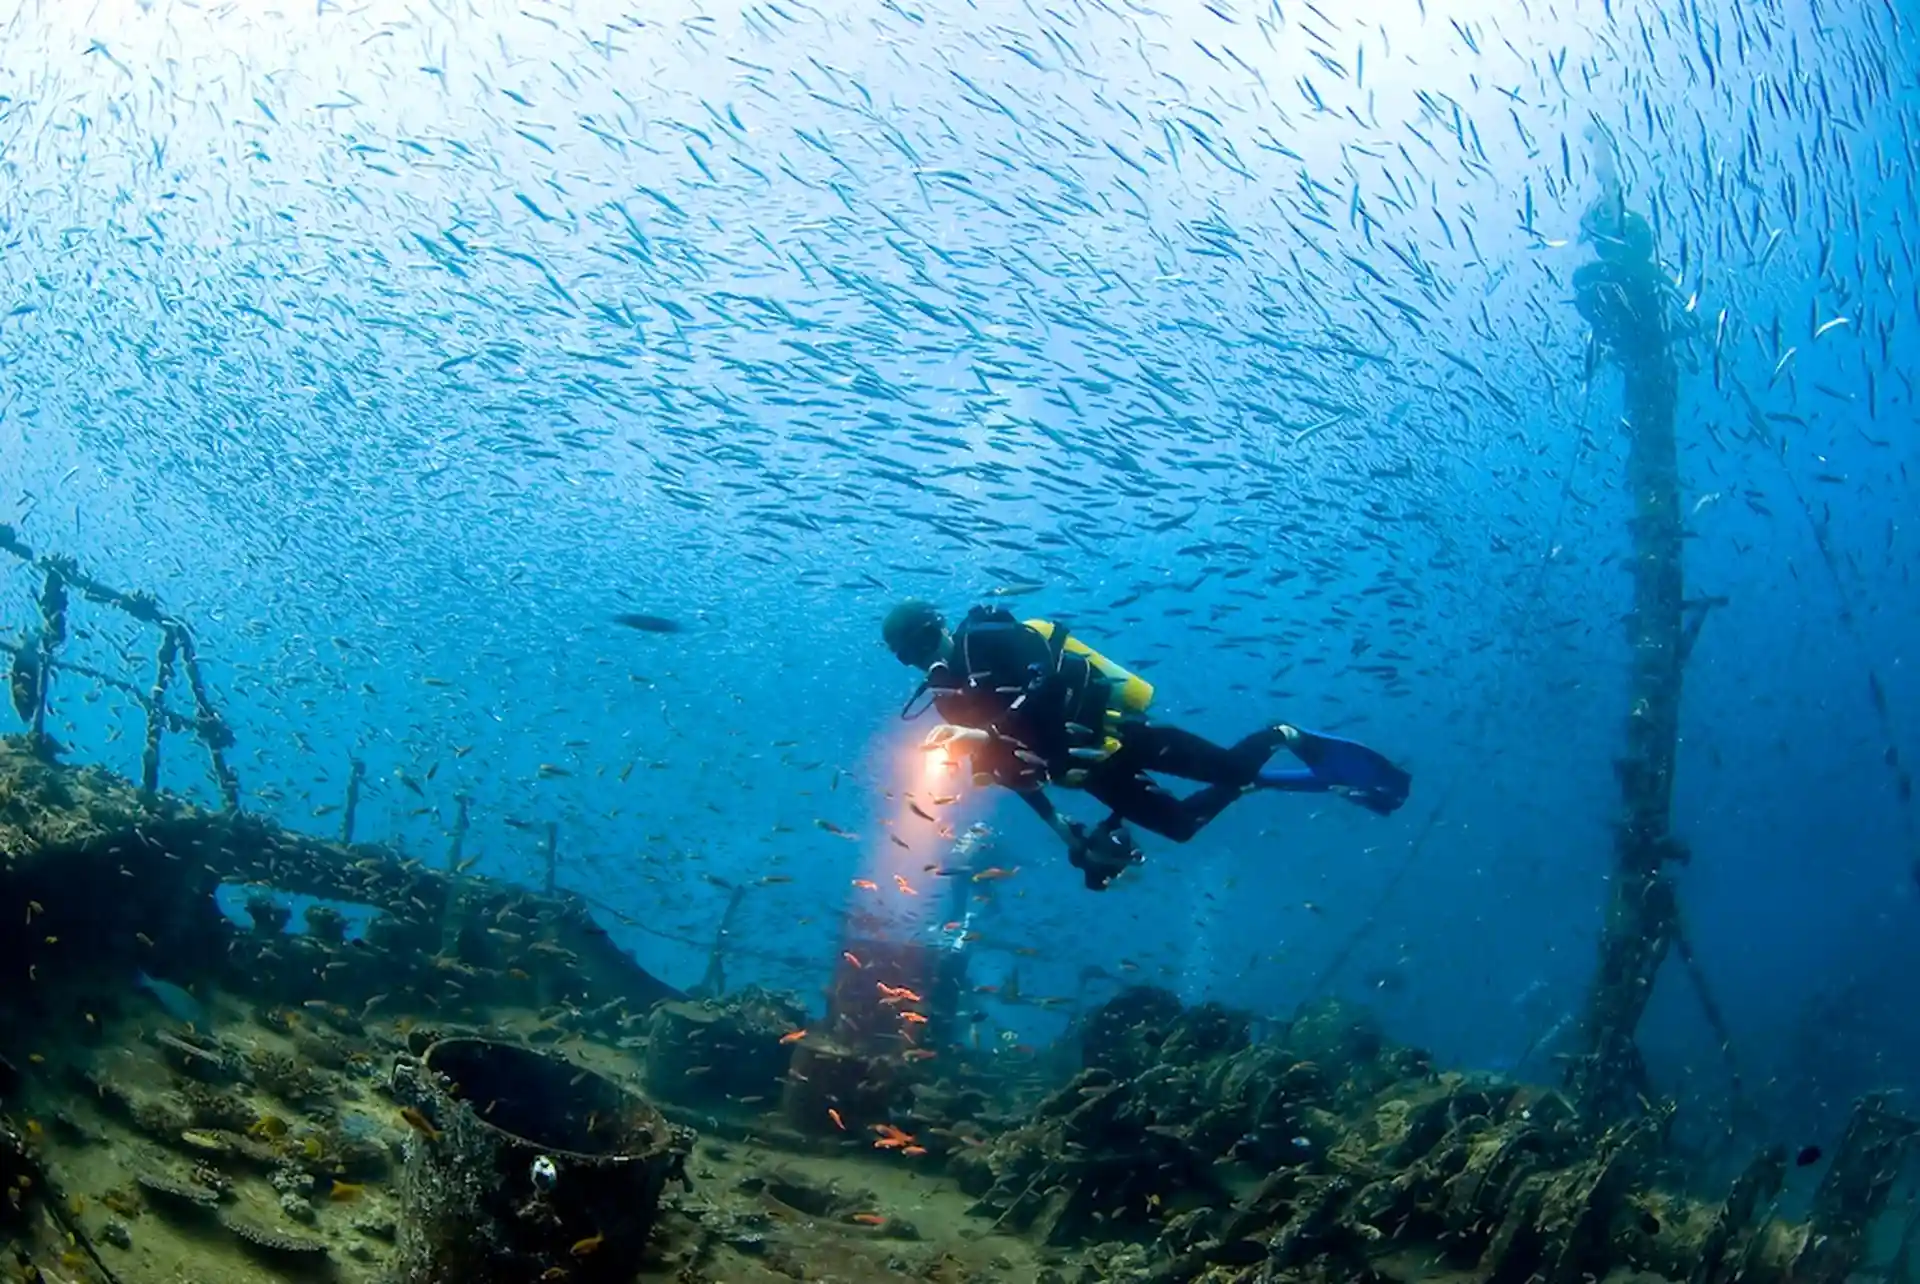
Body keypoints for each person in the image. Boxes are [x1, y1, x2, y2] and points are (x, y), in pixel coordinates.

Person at [881, 600, 1411, 889]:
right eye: (912, 656)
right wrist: (1065, 831)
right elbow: (1006, 773)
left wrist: (989, 733)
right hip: (1089, 771)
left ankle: (1280, 735)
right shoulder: (949, 701)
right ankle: (1248, 786)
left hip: (1118, 735)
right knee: (1180, 828)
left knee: (1228, 767)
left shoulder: (988, 638)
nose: (925, 658)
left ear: (941, 627)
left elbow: (1048, 685)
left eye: (925, 643)